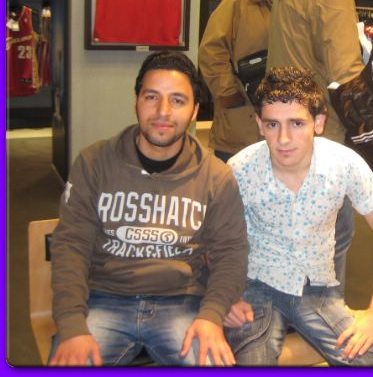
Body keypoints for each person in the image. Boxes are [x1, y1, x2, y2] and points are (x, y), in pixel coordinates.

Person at [48, 51, 249, 366]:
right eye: (151, 97)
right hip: (102, 299)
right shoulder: (94, 162)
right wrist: (72, 324)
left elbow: (231, 253)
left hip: (182, 302)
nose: (163, 111)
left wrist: (212, 315)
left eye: (178, 100)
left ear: (195, 111)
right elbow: (71, 245)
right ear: (136, 102)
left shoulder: (216, 176)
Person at [224, 67, 373, 366]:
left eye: (296, 123)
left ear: (318, 122)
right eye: (272, 124)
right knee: (252, 363)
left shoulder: (343, 164)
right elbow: (213, 239)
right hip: (257, 286)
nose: (283, 138)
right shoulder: (240, 168)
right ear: (259, 124)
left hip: (317, 289)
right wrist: (224, 299)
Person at [267, 0, 373, 298]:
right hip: (320, 139)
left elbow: (316, 54)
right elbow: (346, 78)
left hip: (284, 129)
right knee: (332, 241)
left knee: (290, 242)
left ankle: (291, 315)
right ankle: (324, 322)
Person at [199, 0, 309, 162]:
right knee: (232, 182)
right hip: (241, 126)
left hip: (286, 132)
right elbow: (211, 51)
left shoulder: (304, 10)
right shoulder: (239, 2)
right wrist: (230, 94)